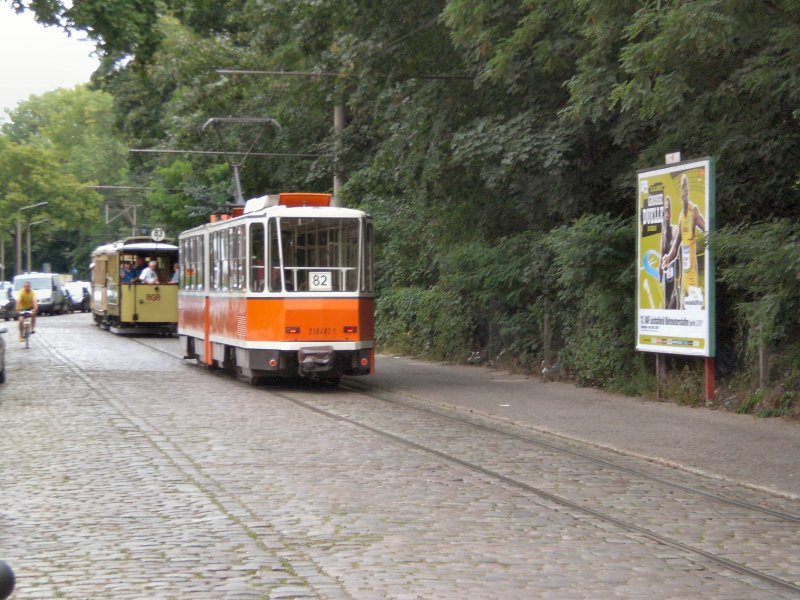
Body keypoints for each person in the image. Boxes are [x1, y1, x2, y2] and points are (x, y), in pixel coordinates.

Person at [661, 174, 706, 309]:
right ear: (681, 194)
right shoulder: (681, 216)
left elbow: (708, 231)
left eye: (686, 190)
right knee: (681, 309)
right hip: (683, 276)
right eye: (682, 190)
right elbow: (676, 245)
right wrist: (668, 258)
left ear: (688, 192)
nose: (684, 194)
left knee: (691, 310)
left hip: (692, 276)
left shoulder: (694, 211)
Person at [658, 195, 679, 310]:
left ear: (670, 213)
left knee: (673, 304)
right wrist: (660, 279)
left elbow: (676, 249)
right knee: (667, 307)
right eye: (664, 211)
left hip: (677, 278)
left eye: (667, 210)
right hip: (667, 281)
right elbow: (661, 258)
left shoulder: (675, 229)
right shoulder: (663, 235)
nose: (665, 214)